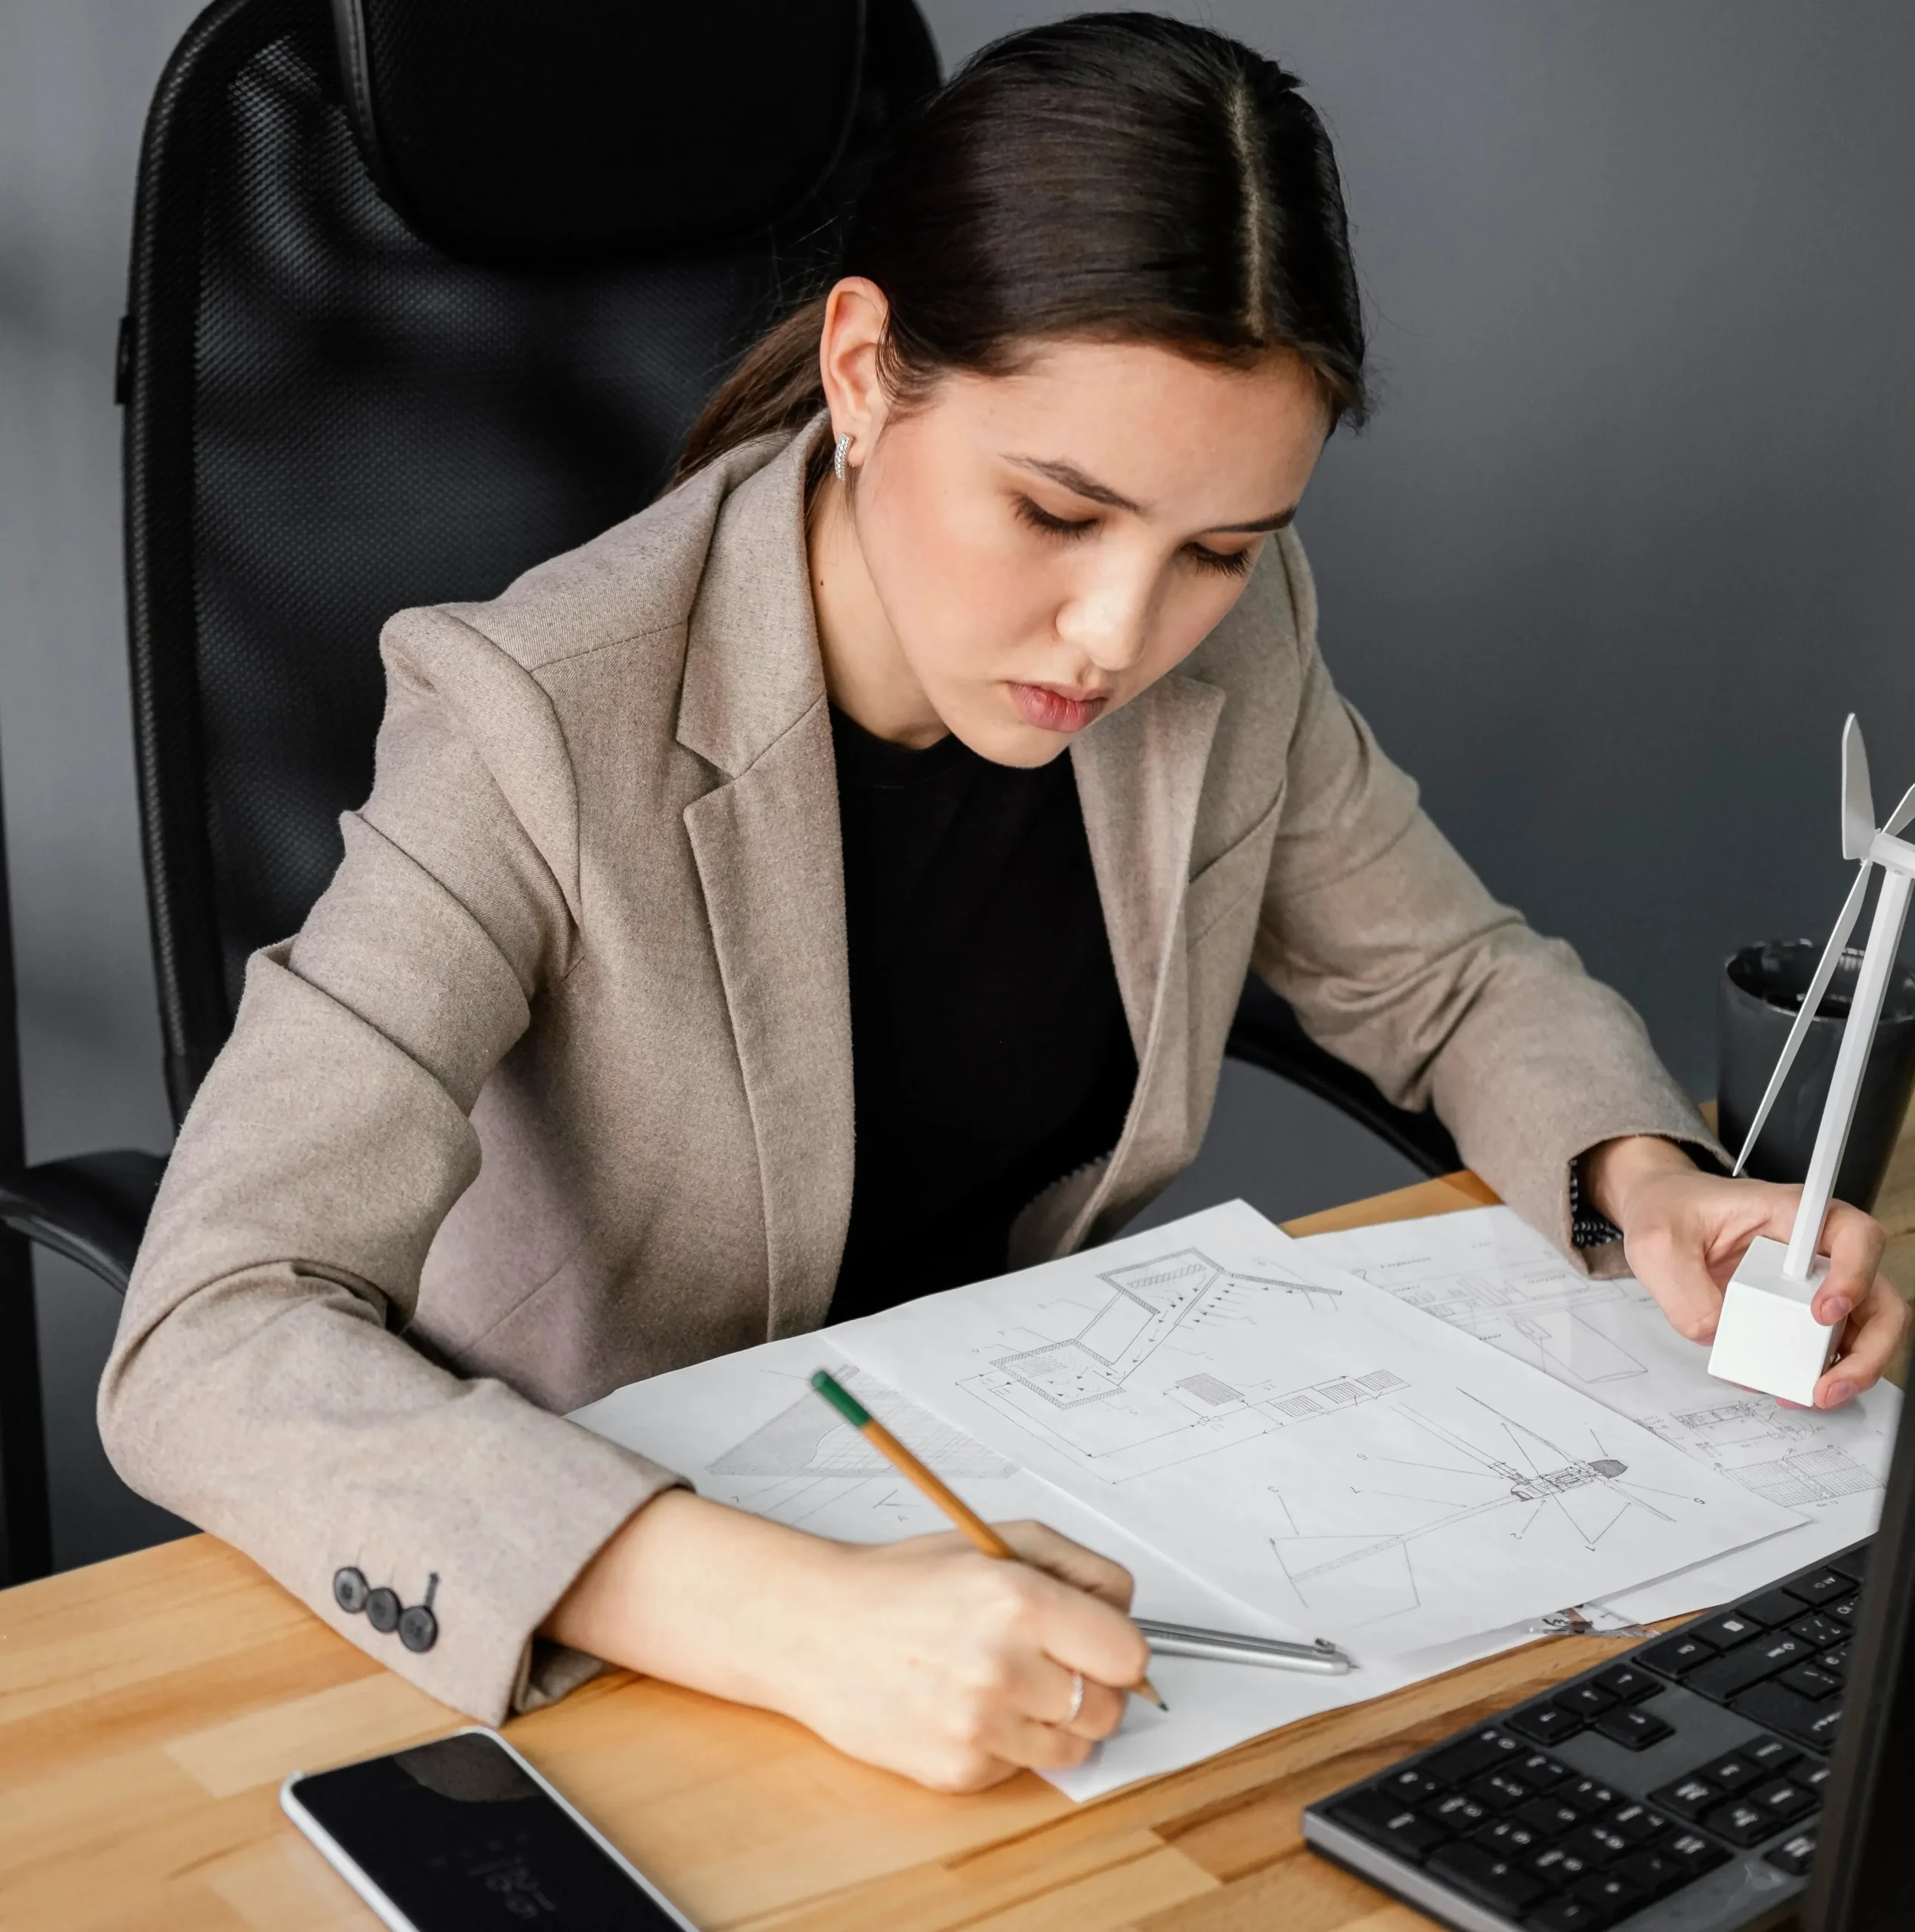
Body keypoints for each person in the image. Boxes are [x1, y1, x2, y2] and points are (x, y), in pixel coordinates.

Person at [100, 13, 1907, 1795]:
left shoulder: (1235, 641)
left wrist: (1646, 1180)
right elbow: (211, 1334)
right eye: (1056, 511)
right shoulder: (531, 719)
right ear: (867, 370)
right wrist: (796, 1619)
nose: (1119, 640)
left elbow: (1443, 977)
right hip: (622, 1617)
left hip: (1053, 1534)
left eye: (1214, 549)